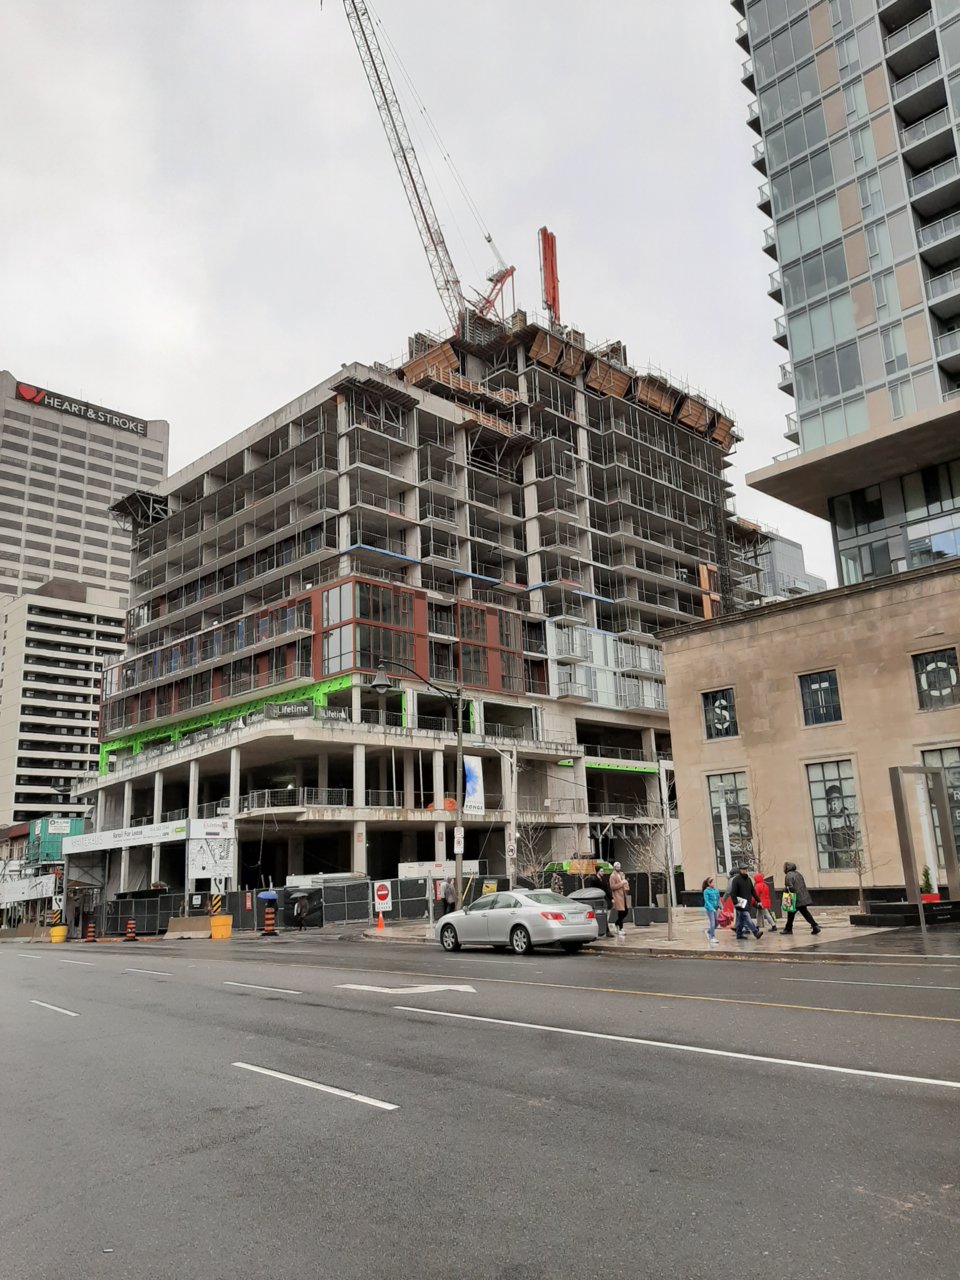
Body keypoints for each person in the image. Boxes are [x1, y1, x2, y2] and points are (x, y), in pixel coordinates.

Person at [782, 862, 821, 935]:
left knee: (791, 913)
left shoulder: (788, 875)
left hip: (794, 898)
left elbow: (790, 887)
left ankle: (788, 929)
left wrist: (784, 890)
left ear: (786, 868)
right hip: (802, 896)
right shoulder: (798, 874)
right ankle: (815, 926)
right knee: (804, 912)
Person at [727, 864, 763, 940]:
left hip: (747, 903)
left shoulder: (749, 880)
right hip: (740, 903)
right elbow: (733, 893)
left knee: (741, 920)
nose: (746, 870)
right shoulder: (736, 880)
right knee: (747, 917)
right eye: (744, 869)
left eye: (746, 869)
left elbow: (753, 891)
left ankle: (739, 934)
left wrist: (758, 900)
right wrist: (735, 903)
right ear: (740, 870)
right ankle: (756, 932)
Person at [609, 862, 630, 940]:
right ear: (614, 867)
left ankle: (616, 924)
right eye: (617, 866)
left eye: (619, 866)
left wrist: (626, 884)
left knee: (626, 911)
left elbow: (625, 883)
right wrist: (621, 883)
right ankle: (620, 928)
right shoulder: (612, 876)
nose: (619, 868)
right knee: (621, 912)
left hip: (624, 896)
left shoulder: (622, 874)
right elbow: (613, 887)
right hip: (618, 896)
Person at [702, 876, 722, 946]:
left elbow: (718, 899)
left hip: (716, 908)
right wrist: (711, 908)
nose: (713, 883)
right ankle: (712, 937)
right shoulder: (706, 891)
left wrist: (721, 906)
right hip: (710, 909)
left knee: (717, 923)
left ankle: (709, 931)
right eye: (712, 882)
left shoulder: (716, 890)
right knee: (713, 923)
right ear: (708, 883)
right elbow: (706, 901)